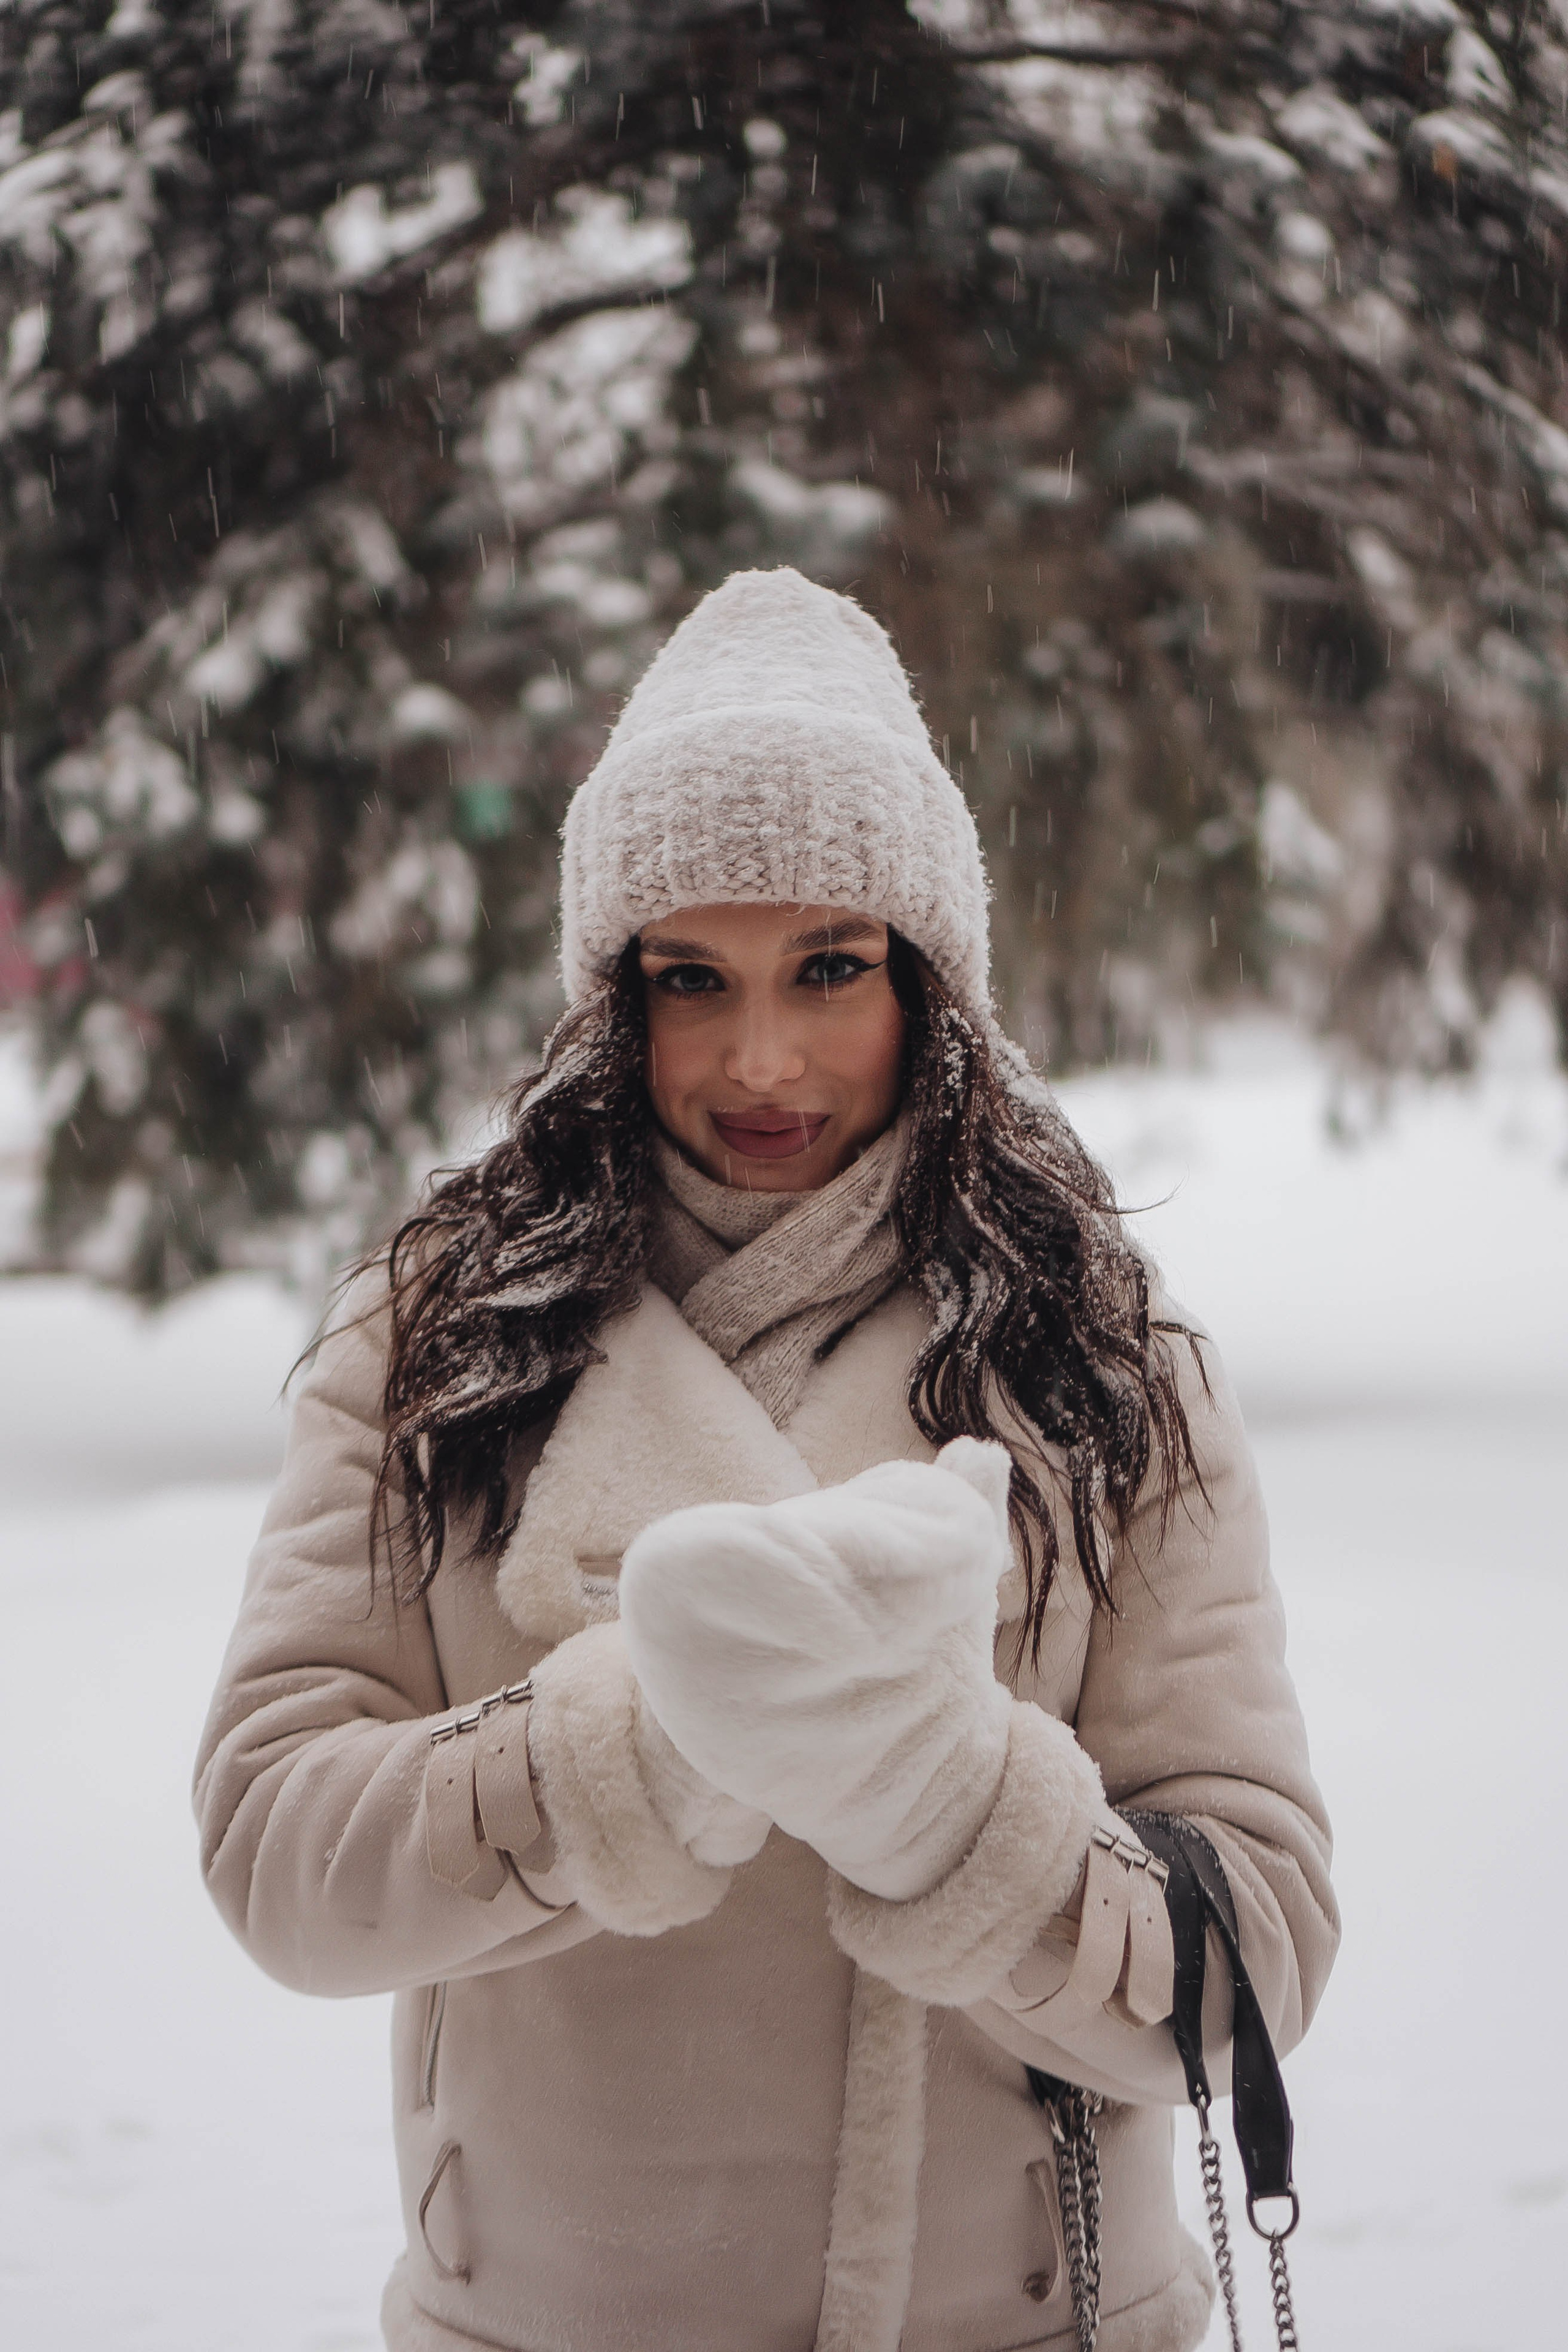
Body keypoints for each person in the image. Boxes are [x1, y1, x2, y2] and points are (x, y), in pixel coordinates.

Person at [195, 568, 1337, 2352]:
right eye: (689, 979)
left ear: (930, 980)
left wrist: (948, 1803)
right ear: (611, 996)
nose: (760, 1058)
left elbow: (1252, 1956)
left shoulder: (1105, 1359)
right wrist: (634, 1751)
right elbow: (277, 1851)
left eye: (829, 967)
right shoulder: (433, 1335)